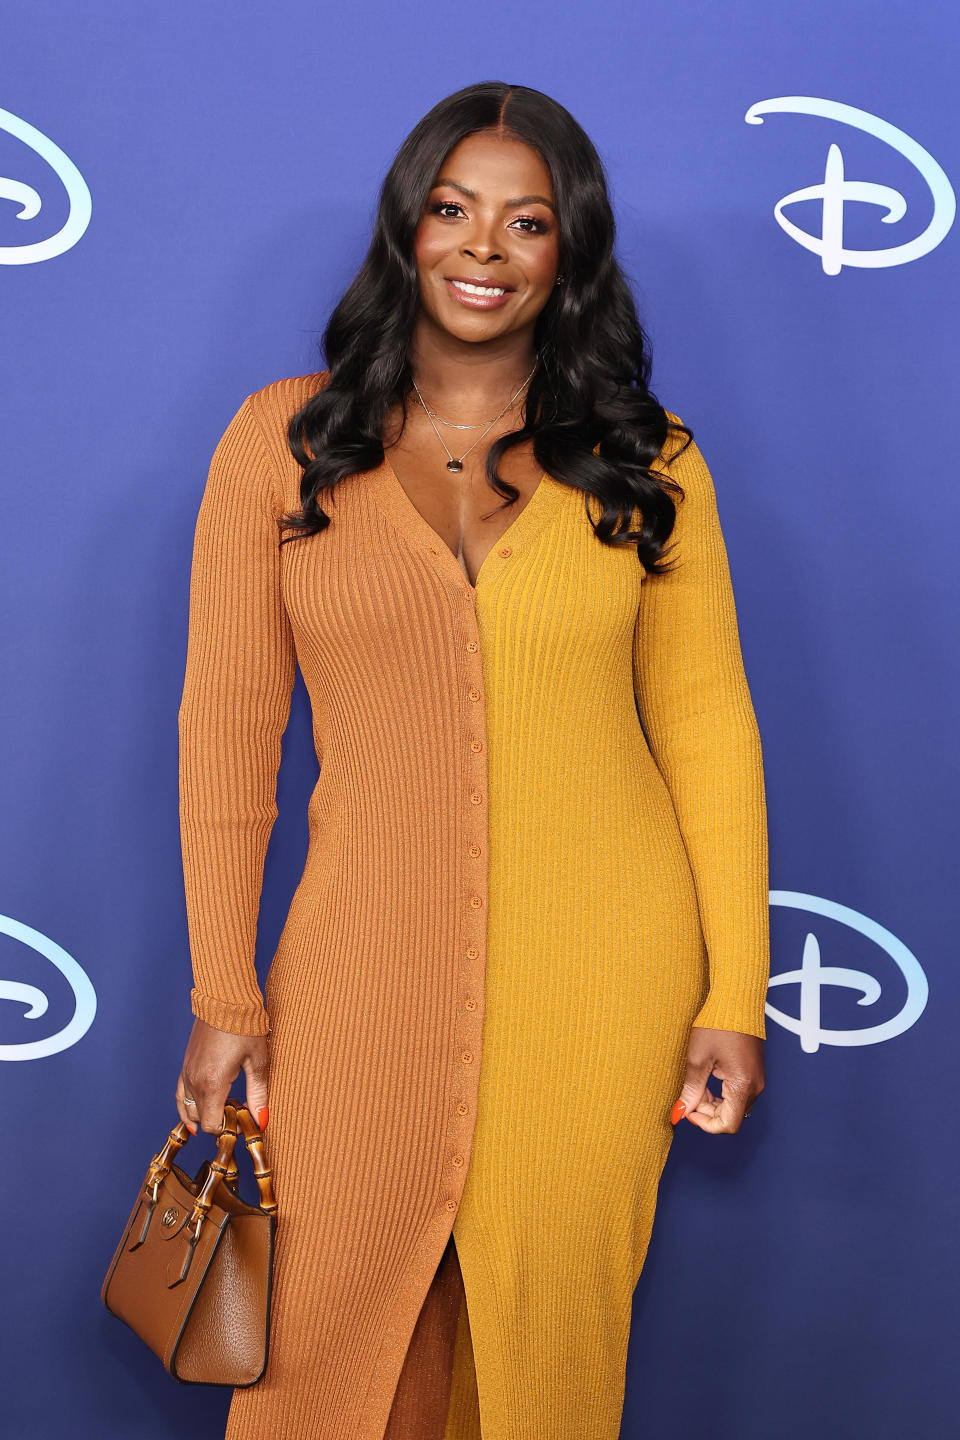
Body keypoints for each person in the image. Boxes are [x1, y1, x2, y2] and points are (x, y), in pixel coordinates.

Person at [175, 80, 769, 1440]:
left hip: (602, 974)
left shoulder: (647, 463)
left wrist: (735, 989)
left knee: (543, 1348)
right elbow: (228, 730)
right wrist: (226, 988)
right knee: (322, 1353)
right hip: (358, 966)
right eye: (453, 211)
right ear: (407, 230)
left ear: (571, 255)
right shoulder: (282, 449)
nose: (483, 250)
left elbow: (708, 729)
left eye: (527, 222)